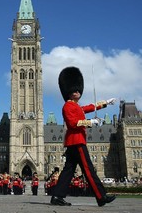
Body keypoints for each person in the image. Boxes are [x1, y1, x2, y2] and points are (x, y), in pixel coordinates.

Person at [50, 66, 117, 207]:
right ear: (69, 92)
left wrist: (106, 103)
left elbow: (90, 107)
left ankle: (57, 196)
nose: (78, 92)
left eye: (79, 90)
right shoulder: (67, 107)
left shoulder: (76, 106)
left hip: (73, 143)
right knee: (88, 168)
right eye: (75, 90)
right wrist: (90, 122)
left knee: (68, 170)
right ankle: (101, 196)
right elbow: (73, 123)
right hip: (76, 141)